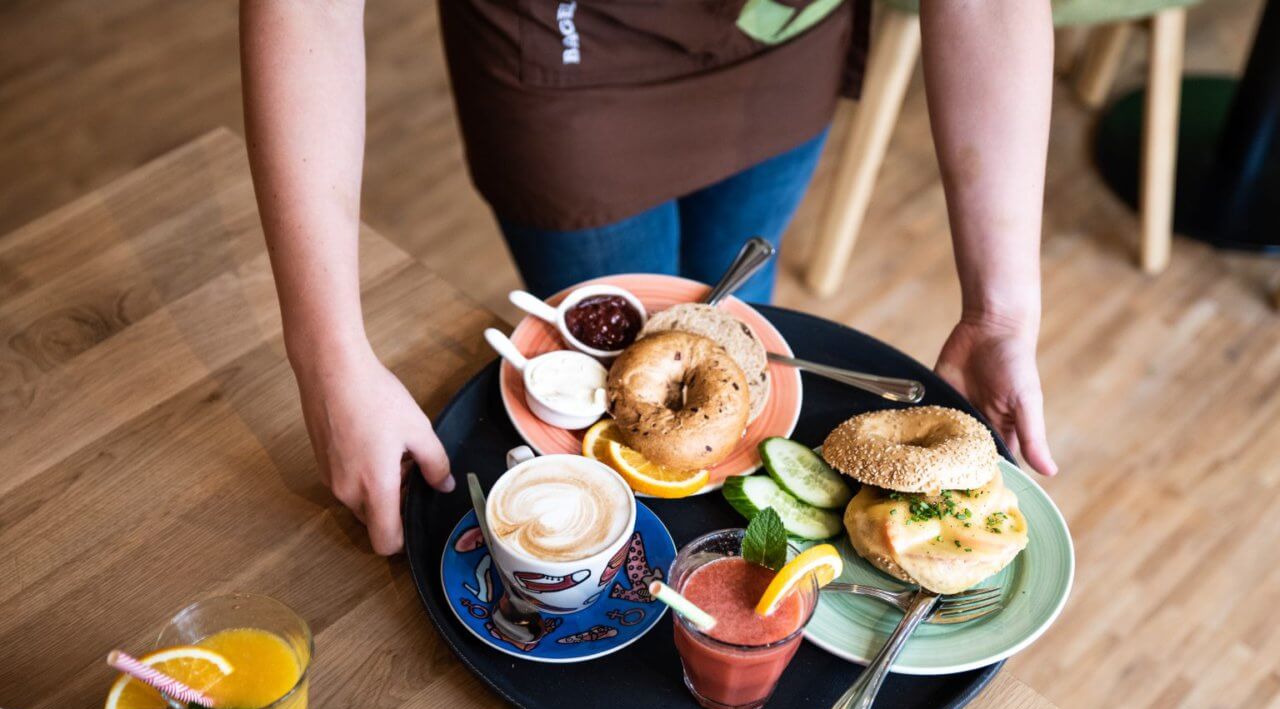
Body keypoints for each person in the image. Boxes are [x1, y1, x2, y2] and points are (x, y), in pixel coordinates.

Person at [240, 0, 1059, 555]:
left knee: (737, 347)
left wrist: (1001, 311)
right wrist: (329, 358)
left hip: (784, 38)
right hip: (573, 42)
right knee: (606, 392)